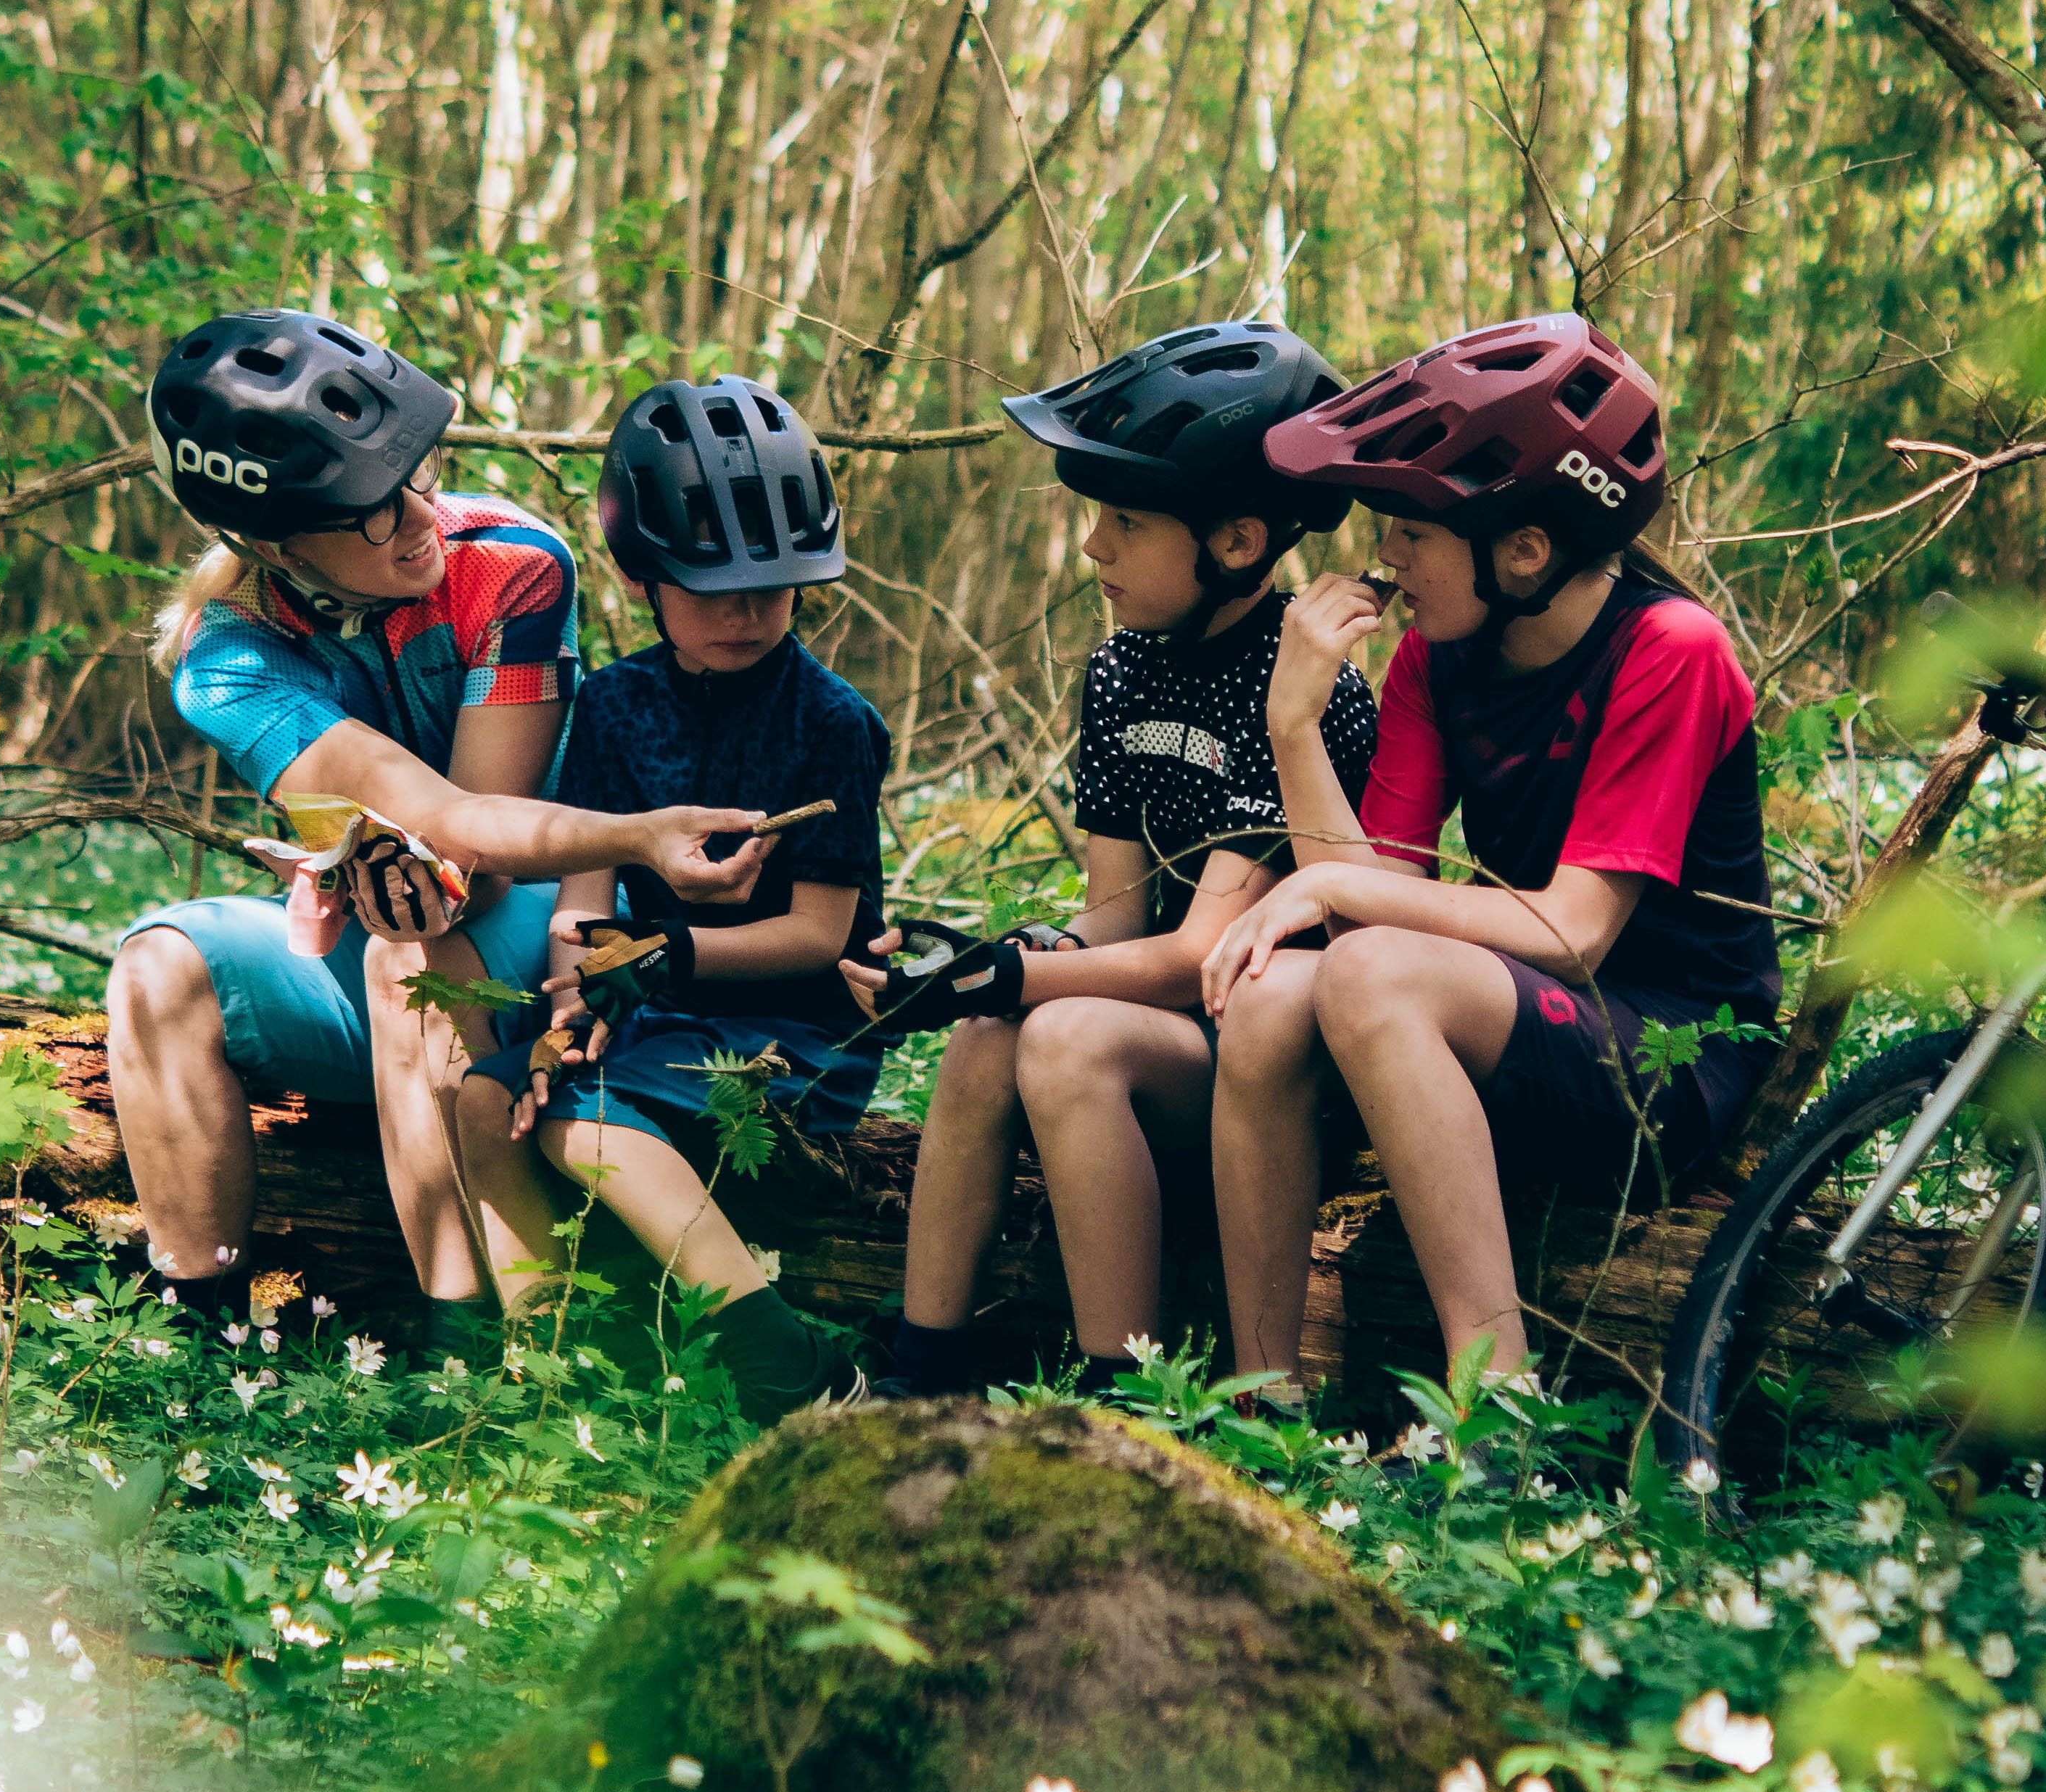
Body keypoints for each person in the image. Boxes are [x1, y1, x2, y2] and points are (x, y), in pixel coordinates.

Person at [109, 310, 775, 1329]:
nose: (422, 515)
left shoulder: (513, 562)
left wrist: (639, 836)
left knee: (408, 953)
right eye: (373, 512)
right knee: (155, 967)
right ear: (276, 543)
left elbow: (475, 839)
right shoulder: (227, 653)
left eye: (418, 473)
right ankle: (197, 1331)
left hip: (546, 924)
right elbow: (423, 823)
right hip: (380, 932)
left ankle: (462, 1345)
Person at [1203, 313, 1781, 1390]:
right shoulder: (1439, 658)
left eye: (1413, 533)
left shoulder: (1671, 650)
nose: (1386, 558)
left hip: (1673, 1059)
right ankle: (1262, 1404)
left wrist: (1330, 882)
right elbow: (1373, 895)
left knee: (1368, 970)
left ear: (1525, 549)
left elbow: (1574, 929)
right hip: (1533, 1022)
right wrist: (1294, 722)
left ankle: (1495, 1412)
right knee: (1276, 995)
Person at [849, 323, 1378, 1400]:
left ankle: (1125, 1402)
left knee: (1067, 1035)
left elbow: (1196, 959)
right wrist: (998, 960)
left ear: (1236, 539)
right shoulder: (1123, 669)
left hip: (1274, 1076)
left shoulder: (1303, 688)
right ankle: (925, 1367)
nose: (1093, 546)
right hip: (1172, 1044)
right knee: (991, 1036)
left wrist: (1017, 977)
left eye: (1126, 520)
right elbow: (1116, 916)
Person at [455, 373, 888, 1421]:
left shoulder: (833, 720)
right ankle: (556, 1356)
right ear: (645, 576)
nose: (745, 612)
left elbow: (822, 932)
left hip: (794, 1029)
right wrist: (570, 1008)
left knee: (585, 1129)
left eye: (773, 586)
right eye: (712, 586)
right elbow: (583, 896)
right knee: (484, 1099)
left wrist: (662, 957)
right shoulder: (611, 705)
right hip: (650, 1013)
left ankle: (791, 1362)